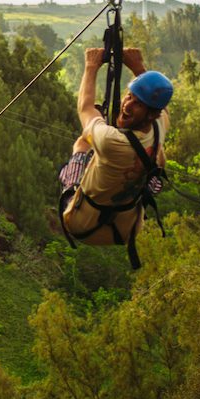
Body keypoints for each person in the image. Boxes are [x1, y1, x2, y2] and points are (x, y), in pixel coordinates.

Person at [57, 47, 172, 268]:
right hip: (126, 228)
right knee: (154, 168)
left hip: (82, 223)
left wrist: (91, 66)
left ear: (150, 113)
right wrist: (139, 68)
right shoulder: (160, 125)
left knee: (82, 144)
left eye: (137, 104)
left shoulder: (111, 140)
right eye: (130, 96)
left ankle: (74, 181)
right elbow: (161, 106)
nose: (127, 105)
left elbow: (85, 108)